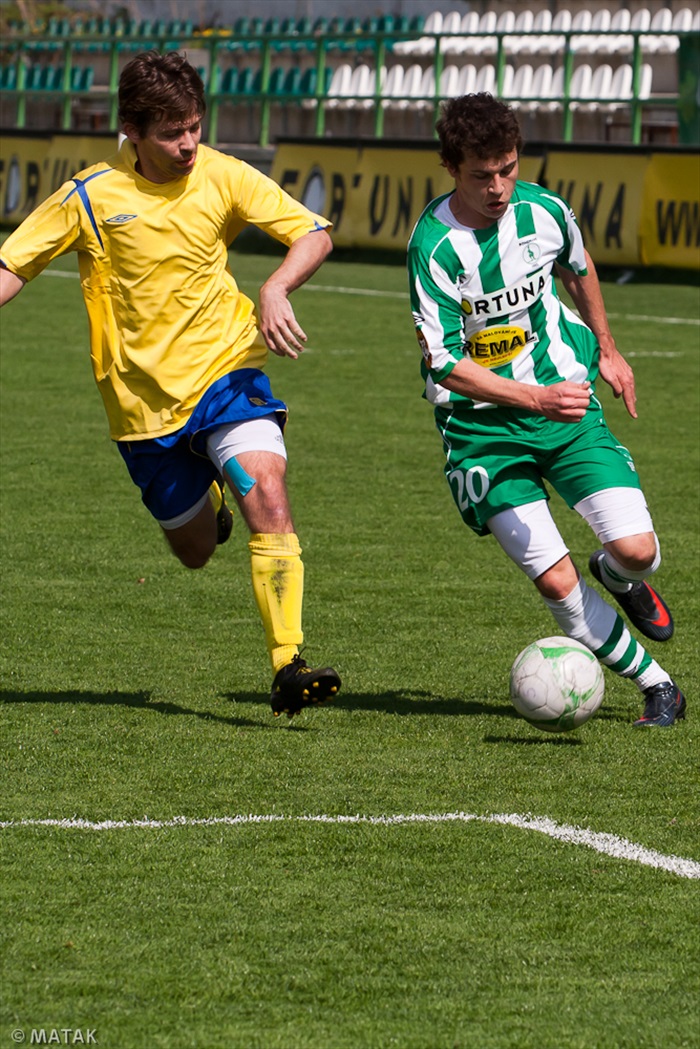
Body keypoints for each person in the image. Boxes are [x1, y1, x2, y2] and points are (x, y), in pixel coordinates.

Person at [0, 50, 341, 719]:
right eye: (172, 132)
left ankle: (287, 663)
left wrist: (276, 285)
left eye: (195, 126)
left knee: (266, 487)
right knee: (193, 550)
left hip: (227, 372)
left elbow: (314, 232)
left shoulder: (220, 173)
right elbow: (11, 267)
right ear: (132, 129)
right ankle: (207, 487)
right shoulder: (90, 197)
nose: (189, 143)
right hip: (144, 409)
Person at [407, 93, 685, 728]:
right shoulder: (434, 248)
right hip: (481, 431)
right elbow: (445, 364)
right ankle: (659, 686)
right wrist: (534, 398)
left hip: (566, 401)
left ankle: (617, 577)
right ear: (452, 167)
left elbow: (577, 268)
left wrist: (609, 351)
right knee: (556, 583)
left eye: (507, 168)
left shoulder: (546, 211)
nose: (499, 187)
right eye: (482, 175)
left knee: (638, 551)